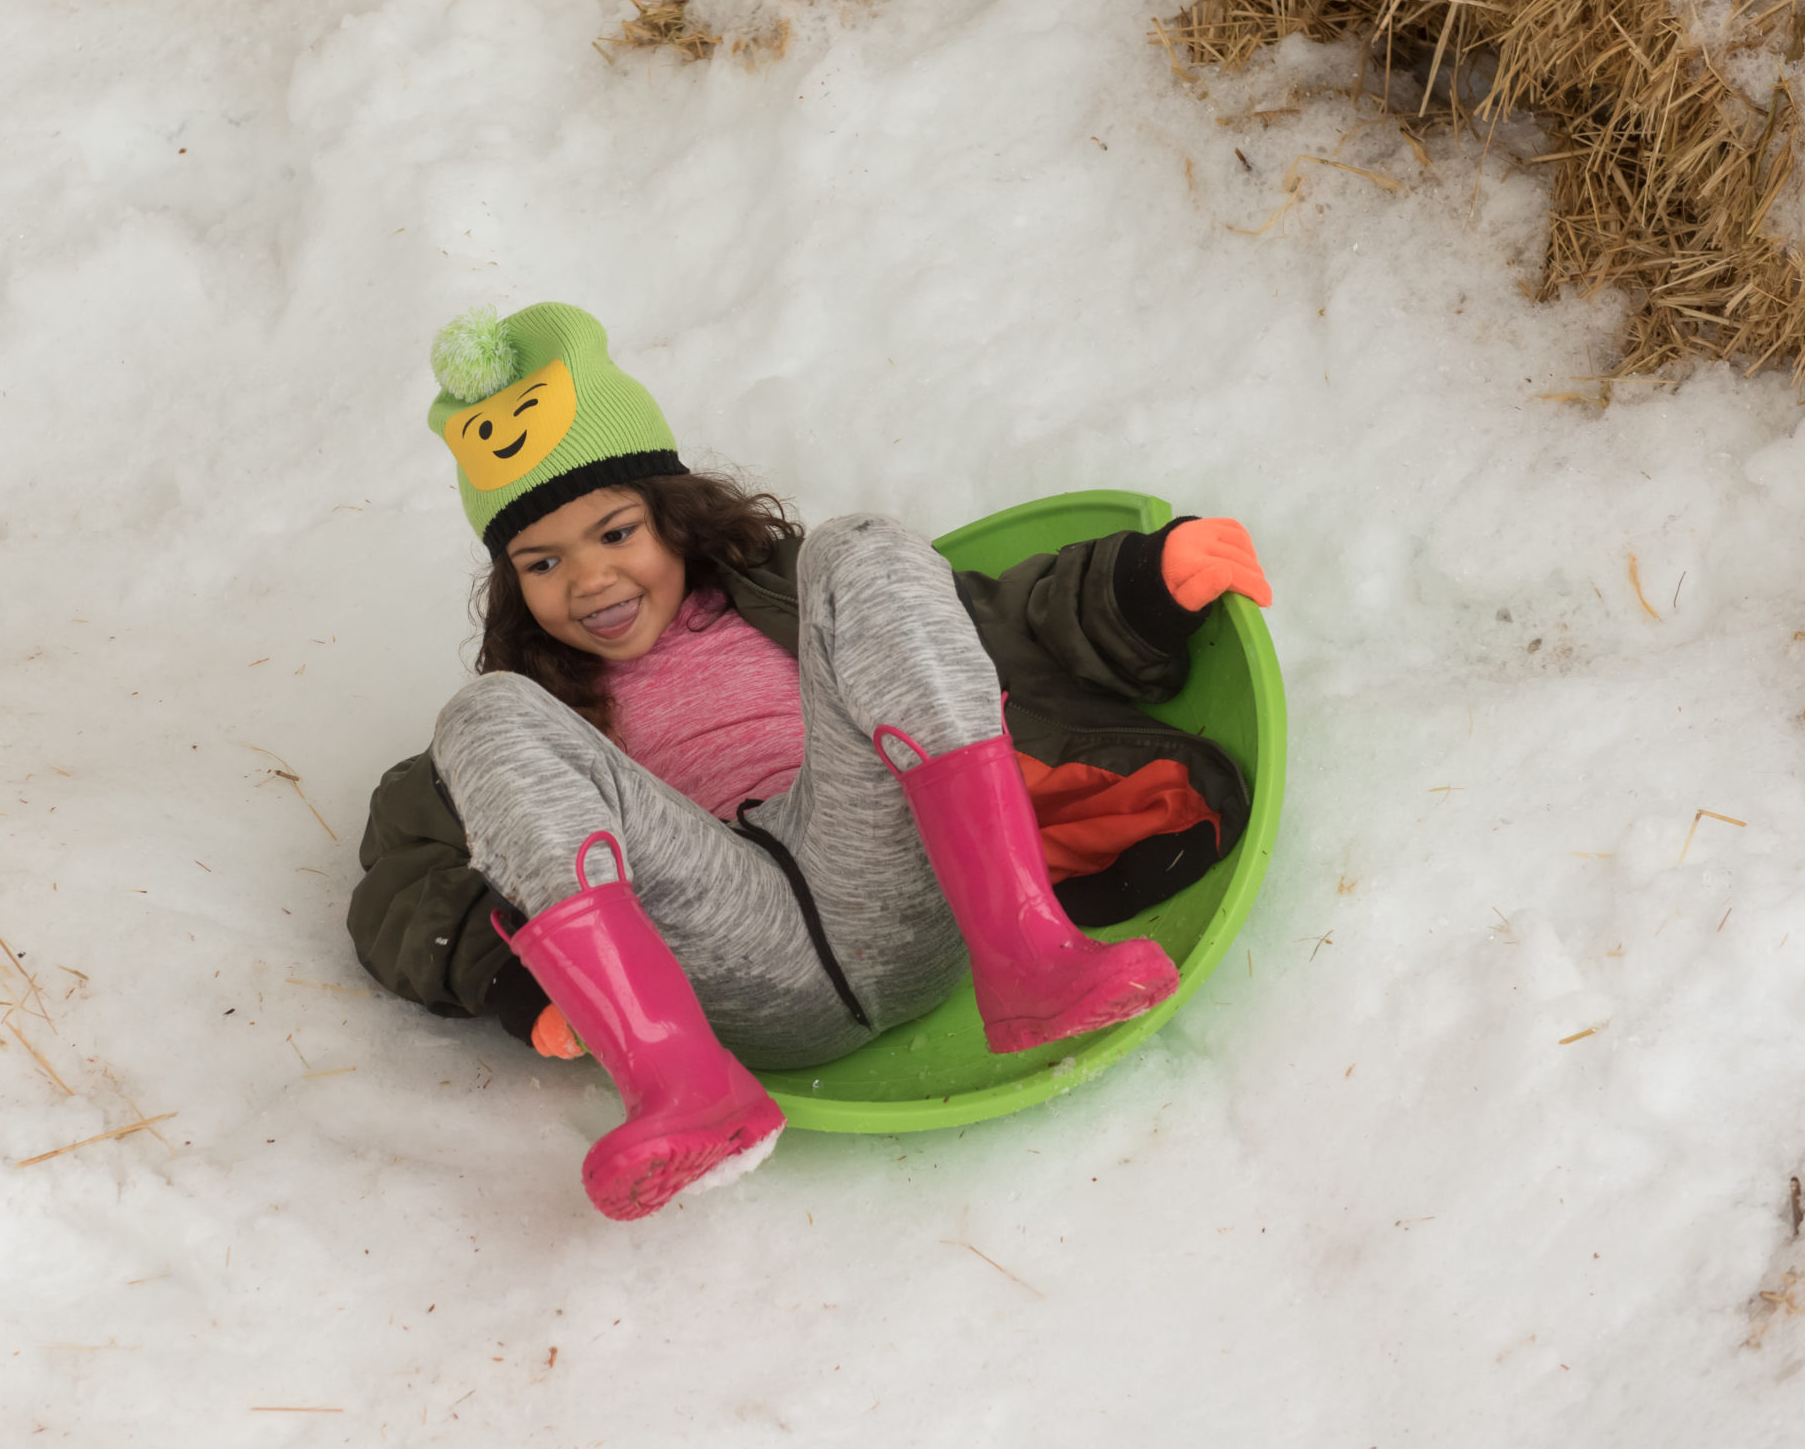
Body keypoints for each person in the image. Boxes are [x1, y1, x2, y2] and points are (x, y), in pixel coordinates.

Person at [349, 303, 1271, 1221]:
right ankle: (680, 1086)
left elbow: (982, 629)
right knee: (482, 712)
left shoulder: (787, 594)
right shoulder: (545, 716)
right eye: (541, 563)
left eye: (617, 532)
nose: (589, 580)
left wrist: (1139, 586)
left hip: (901, 884)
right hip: (732, 956)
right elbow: (401, 882)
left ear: (674, 516)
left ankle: (1031, 953)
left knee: (861, 545)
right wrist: (526, 982)